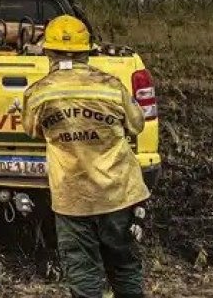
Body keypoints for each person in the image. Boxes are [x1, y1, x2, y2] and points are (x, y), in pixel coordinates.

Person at [21, 15, 151, 298]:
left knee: (83, 274)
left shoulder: (39, 93)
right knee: (125, 267)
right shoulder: (111, 85)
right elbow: (137, 125)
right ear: (87, 52)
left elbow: (32, 130)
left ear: (48, 52)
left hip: (73, 199)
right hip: (118, 194)